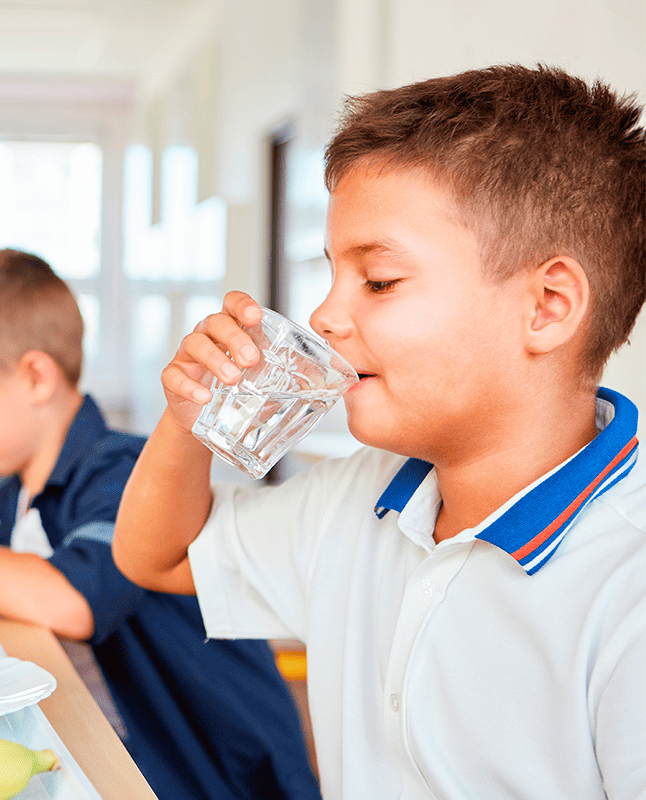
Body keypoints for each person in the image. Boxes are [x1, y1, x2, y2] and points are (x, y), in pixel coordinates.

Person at [111, 64, 646, 800]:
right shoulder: (357, 502)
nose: (324, 317)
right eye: (332, 274)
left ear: (548, 306)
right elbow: (155, 558)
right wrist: (188, 420)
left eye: (380, 281)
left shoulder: (627, 586)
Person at [0, 249, 322, 800]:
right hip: (112, 751)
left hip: (211, 778)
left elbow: (75, 601)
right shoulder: (17, 490)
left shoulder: (124, 472)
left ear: (34, 377)